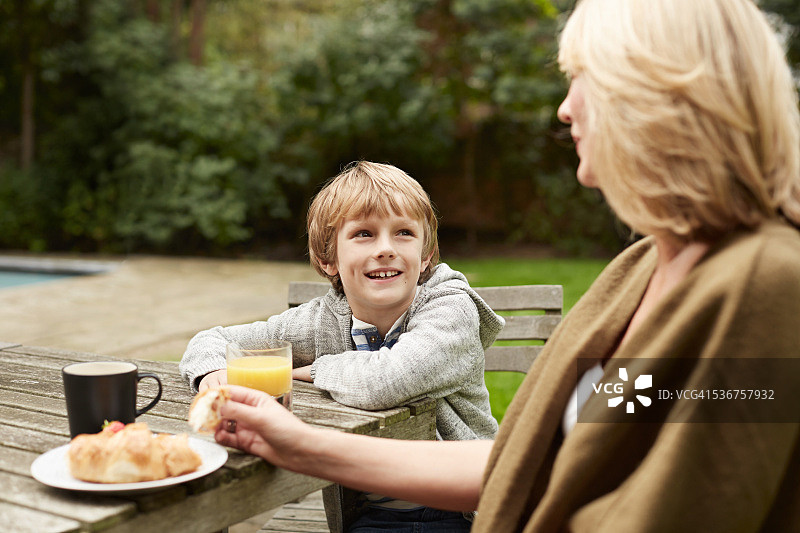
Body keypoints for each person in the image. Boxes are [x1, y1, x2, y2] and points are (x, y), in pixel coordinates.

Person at [209, 0, 800, 531]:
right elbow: (531, 464)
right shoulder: (644, 270)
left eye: (584, 80)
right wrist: (298, 445)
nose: (566, 109)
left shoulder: (770, 286)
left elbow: (697, 500)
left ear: (662, 97)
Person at [180, 160, 502, 531]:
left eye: (403, 233)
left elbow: (390, 380)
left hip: (466, 511)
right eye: (364, 234)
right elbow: (212, 339)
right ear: (327, 259)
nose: (385, 249)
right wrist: (212, 372)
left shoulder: (451, 308)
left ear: (426, 253)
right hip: (372, 515)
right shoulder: (321, 321)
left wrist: (311, 371)